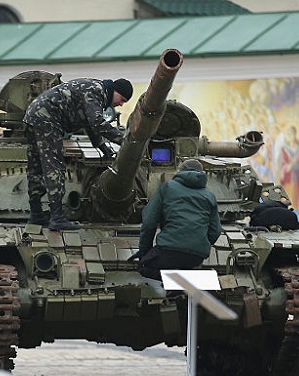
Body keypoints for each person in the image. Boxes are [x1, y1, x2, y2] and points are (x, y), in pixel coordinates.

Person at [24, 77, 132, 229]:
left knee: (36, 168)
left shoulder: (96, 91)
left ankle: (36, 214)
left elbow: (89, 123)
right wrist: (126, 142)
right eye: (122, 99)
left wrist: (102, 147)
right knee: (54, 167)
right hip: (48, 118)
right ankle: (57, 218)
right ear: (115, 91)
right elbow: (96, 122)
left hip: (34, 115)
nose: (120, 104)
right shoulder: (96, 91)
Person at [133, 159, 221, 282]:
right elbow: (216, 231)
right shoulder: (209, 196)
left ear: (180, 171)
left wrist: (144, 252)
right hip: (196, 257)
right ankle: (179, 290)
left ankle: (170, 292)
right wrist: (199, 244)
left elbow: (149, 222)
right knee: (183, 271)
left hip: (169, 251)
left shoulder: (167, 187)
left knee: (143, 267)